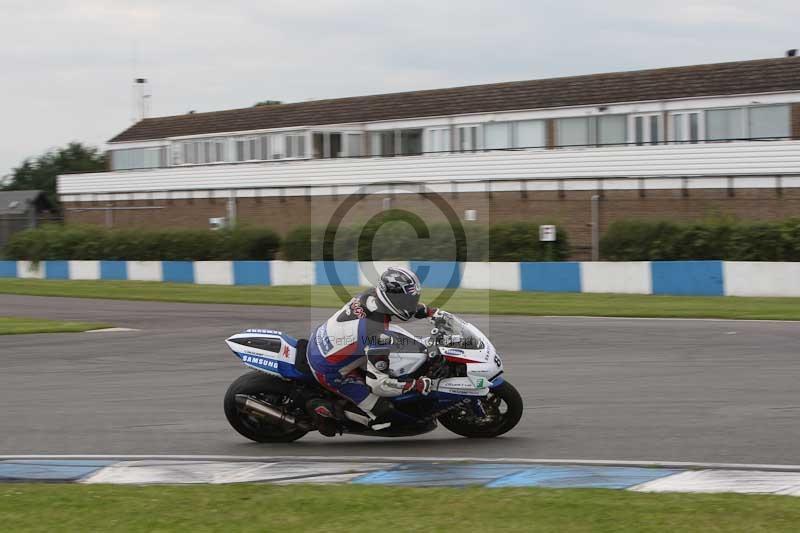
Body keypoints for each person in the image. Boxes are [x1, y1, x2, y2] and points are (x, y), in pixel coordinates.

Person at [306, 266, 436, 436]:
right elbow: (380, 385)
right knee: (384, 410)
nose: (410, 304)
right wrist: (414, 385)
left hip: (325, 341)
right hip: (328, 369)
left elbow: (404, 308)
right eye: (407, 300)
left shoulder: (371, 295)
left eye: (412, 299)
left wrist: (429, 312)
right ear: (391, 298)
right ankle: (328, 412)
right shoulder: (375, 334)